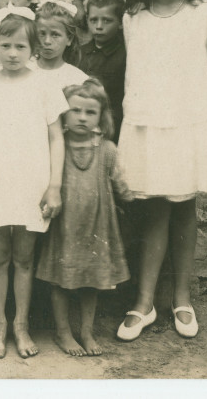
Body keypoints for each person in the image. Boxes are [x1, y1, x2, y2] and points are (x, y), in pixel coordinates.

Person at [115, 0, 207, 342]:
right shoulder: (134, 16)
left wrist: (195, 119)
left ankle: (182, 299)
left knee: (184, 208)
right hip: (149, 124)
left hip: (191, 124)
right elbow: (137, 74)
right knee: (154, 211)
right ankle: (144, 302)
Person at [0, 7, 67, 360]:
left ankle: (21, 326)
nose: (12, 53)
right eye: (5, 45)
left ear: (33, 50)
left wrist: (54, 186)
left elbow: (56, 137)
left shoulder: (44, 86)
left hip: (31, 183)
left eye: (21, 47)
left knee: (24, 258)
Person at [37, 80, 131, 357]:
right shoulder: (55, 147)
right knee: (61, 281)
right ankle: (63, 331)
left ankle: (86, 331)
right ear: (63, 113)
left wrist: (129, 196)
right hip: (64, 227)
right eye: (75, 110)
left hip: (96, 227)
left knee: (92, 281)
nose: (82, 117)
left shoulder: (107, 149)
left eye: (90, 112)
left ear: (101, 115)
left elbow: (121, 184)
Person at [74, 0, 128, 141]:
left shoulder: (125, 55)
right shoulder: (80, 53)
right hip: (83, 127)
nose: (98, 26)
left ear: (121, 23)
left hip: (113, 130)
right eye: (93, 20)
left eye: (106, 20)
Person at [33, 0, 88, 91]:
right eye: (42, 34)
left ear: (69, 39)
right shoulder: (22, 69)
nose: (47, 41)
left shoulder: (77, 79)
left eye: (55, 35)